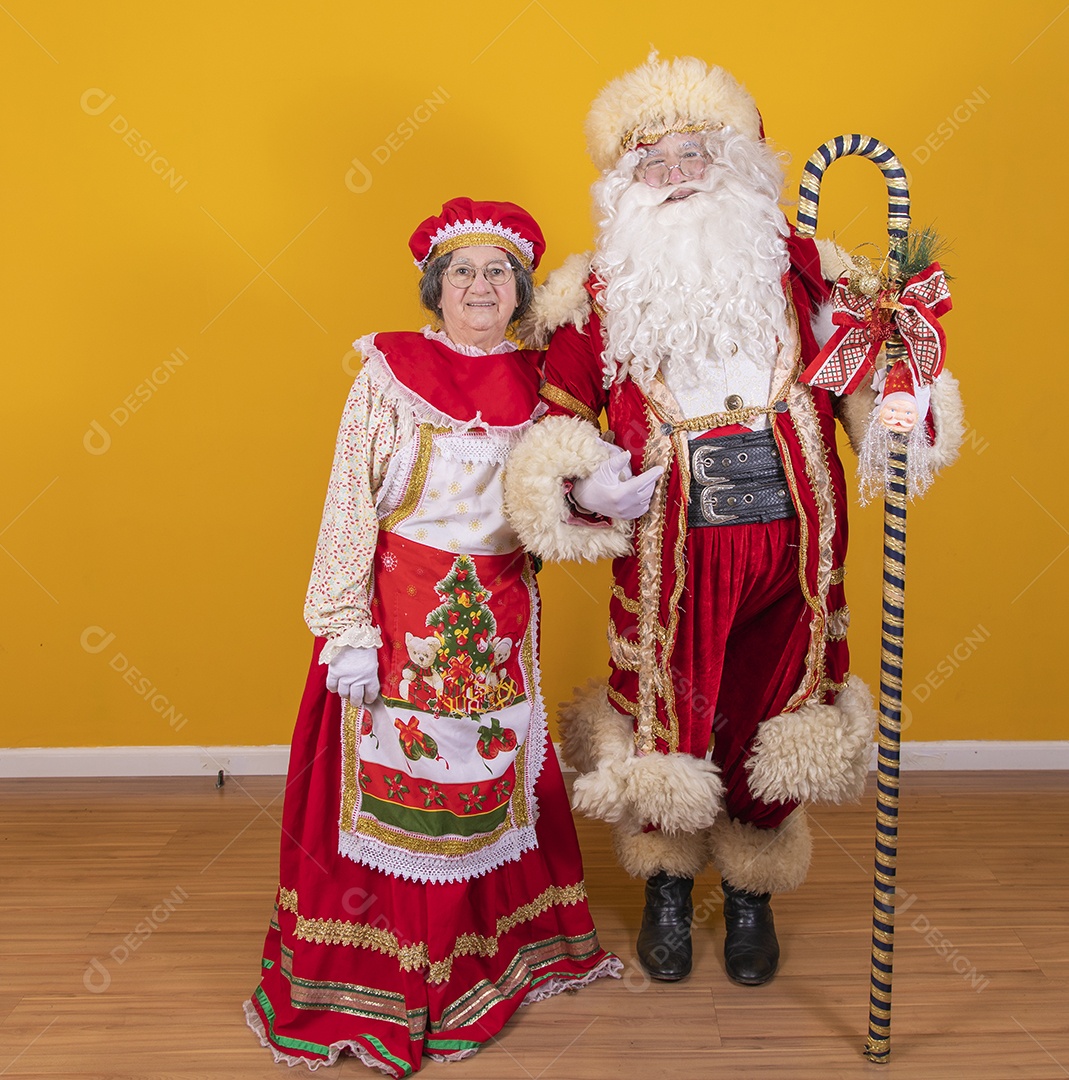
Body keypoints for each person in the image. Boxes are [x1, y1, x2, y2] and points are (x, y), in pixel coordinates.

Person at [502, 55, 964, 986]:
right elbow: (555, 419)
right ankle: (669, 886)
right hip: (668, 556)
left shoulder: (803, 271)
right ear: (624, 184)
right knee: (667, 714)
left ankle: (750, 892)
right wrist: (583, 488)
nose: (674, 178)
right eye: (651, 163)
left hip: (797, 557)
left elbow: (873, 378)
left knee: (775, 712)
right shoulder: (596, 293)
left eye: (691, 155)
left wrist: (901, 411)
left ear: (739, 162)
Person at [245, 197, 620, 1075]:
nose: (481, 285)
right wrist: (345, 629)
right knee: (399, 798)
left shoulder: (545, 384)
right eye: (463, 272)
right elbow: (348, 501)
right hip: (392, 617)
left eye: (498, 272)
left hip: (500, 617)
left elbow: (557, 501)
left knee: (486, 789)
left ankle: (479, 963)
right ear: (435, 288)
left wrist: (591, 499)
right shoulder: (386, 375)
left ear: (520, 289)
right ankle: (389, 978)